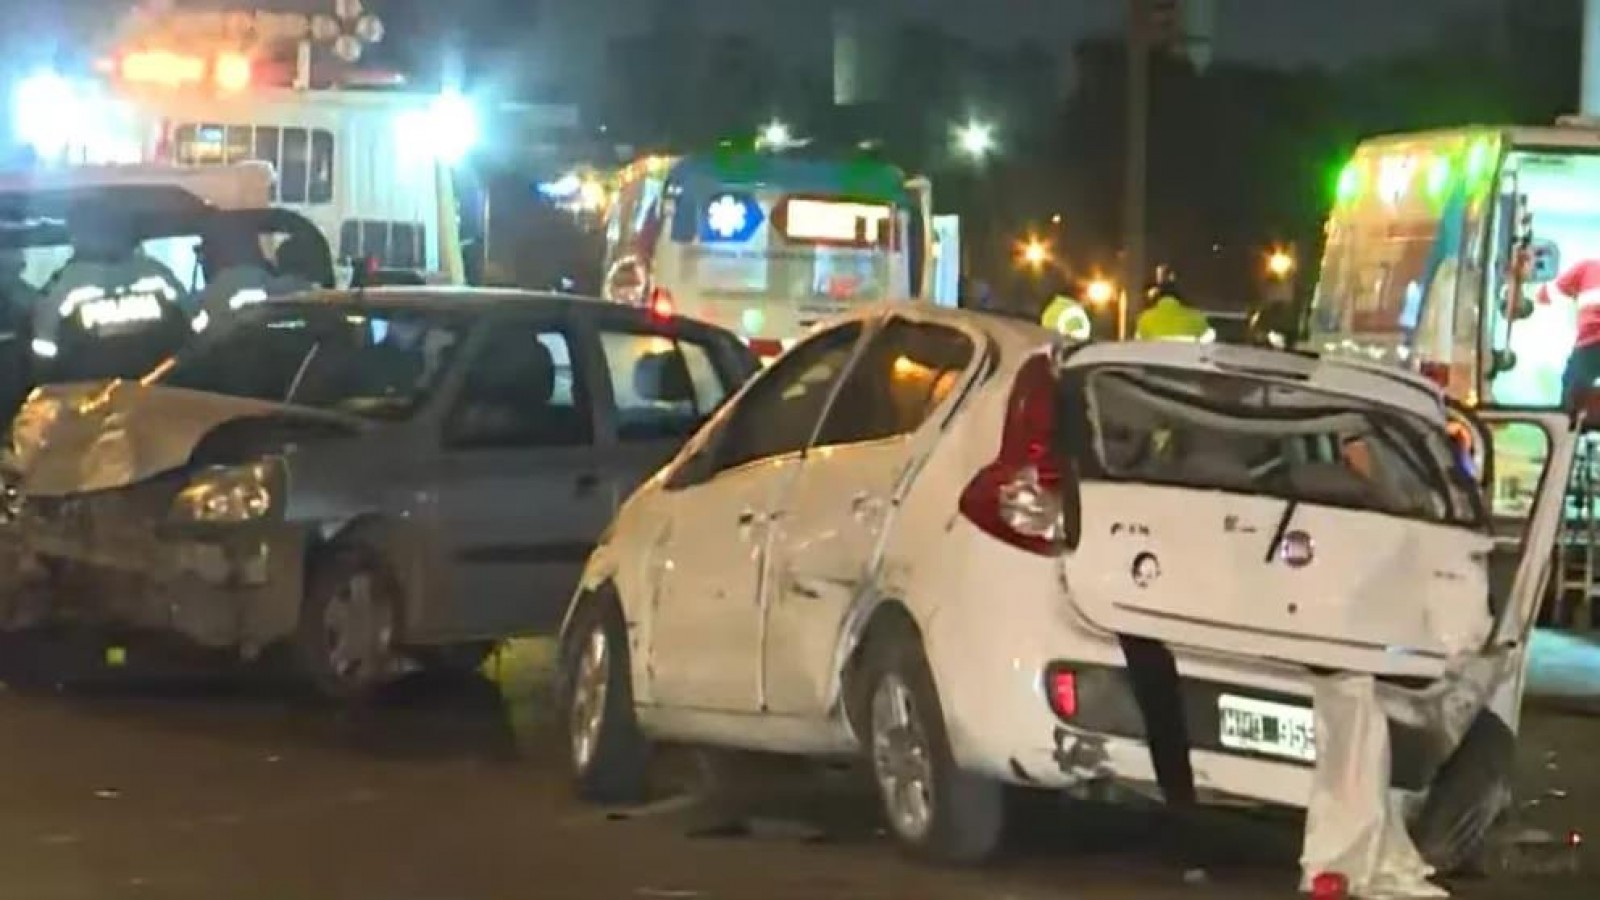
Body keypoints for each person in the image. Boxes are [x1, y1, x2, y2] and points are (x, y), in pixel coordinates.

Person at [1536, 257, 1600, 409]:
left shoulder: (1587, 267)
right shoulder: (1587, 268)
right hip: (1589, 345)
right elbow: (1545, 295)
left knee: (1572, 393)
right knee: (1572, 393)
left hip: (1589, 345)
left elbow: (1544, 295)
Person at [1134, 266, 1211, 342]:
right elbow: (1208, 338)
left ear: (1158, 298)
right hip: (1187, 354)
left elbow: (1139, 343)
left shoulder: (1145, 318)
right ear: (1178, 298)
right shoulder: (1196, 317)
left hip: (1156, 354)